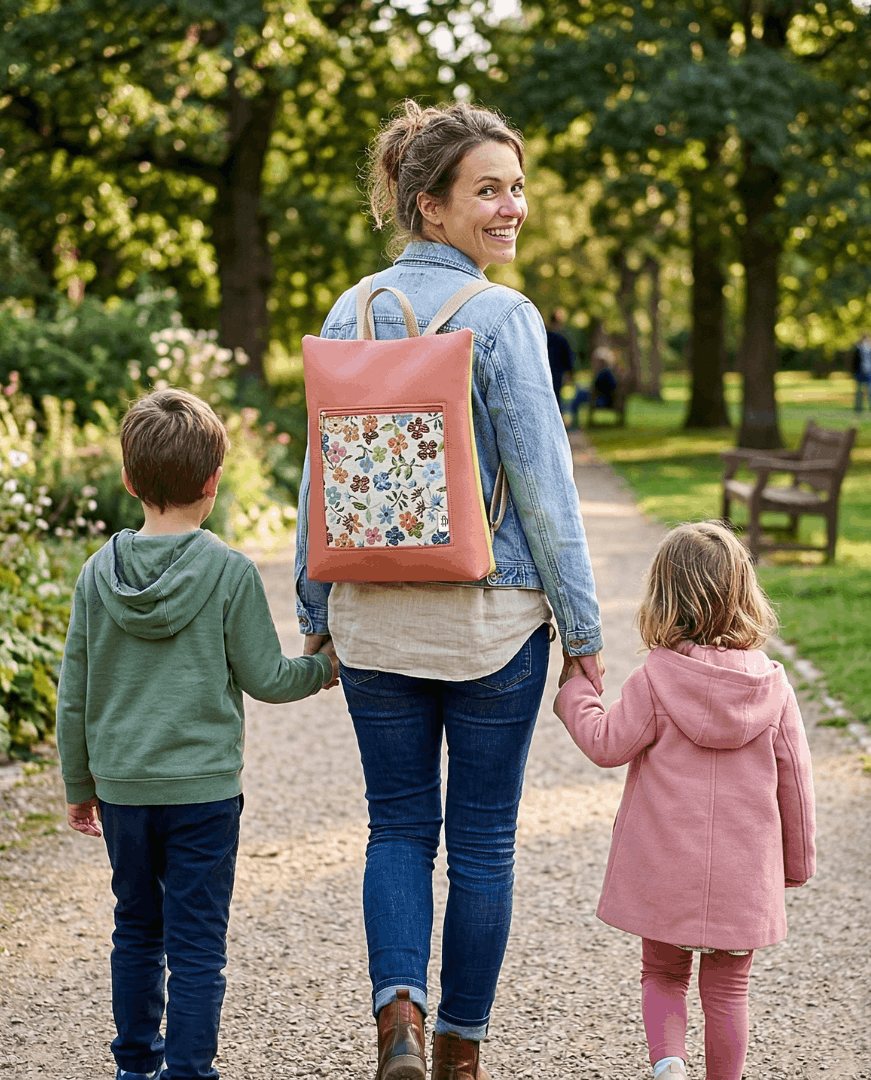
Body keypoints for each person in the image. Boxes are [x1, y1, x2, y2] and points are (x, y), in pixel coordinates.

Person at [295, 100, 604, 1080]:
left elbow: (320, 472)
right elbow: (547, 493)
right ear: (429, 207)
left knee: (394, 828)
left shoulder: (352, 311)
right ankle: (461, 1048)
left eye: (517, 187)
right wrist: (586, 633)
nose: (511, 206)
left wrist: (316, 614)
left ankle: (399, 1009)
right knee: (480, 846)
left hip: (375, 620)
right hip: (492, 625)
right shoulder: (505, 319)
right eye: (488, 191)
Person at [57, 388, 338, 1080]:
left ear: (128, 480)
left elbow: (74, 693)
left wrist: (78, 785)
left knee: (136, 930)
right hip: (204, 796)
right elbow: (269, 677)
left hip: (123, 790)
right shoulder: (227, 571)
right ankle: (188, 1071)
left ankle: (133, 1067)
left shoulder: (98, 574)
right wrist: (324, 667)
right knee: (198, 945)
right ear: (214, 481)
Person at [554, 521, 816, 1080]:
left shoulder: (656, 680)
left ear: (665, 599)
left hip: (665, 866)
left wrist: (576, 693)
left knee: (664, 973)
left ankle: (668, 1066)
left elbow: (606, 743)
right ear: (744, 595)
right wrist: (796, 862)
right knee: (729, 990)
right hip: (742, 874)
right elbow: (794, 778)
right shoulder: (773, 686)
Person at [545, 308, 576, 419]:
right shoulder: (561, 338)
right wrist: (569, 373)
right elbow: (568, 358)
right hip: (557, 372)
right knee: (556, 398)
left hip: (545, 371)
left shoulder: (544, 336)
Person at [851, 331, 871, 414]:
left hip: (870, 372)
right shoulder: (858, 349)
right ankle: (858, 409)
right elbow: (854, 361)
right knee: (859, 392)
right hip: (860, 372)